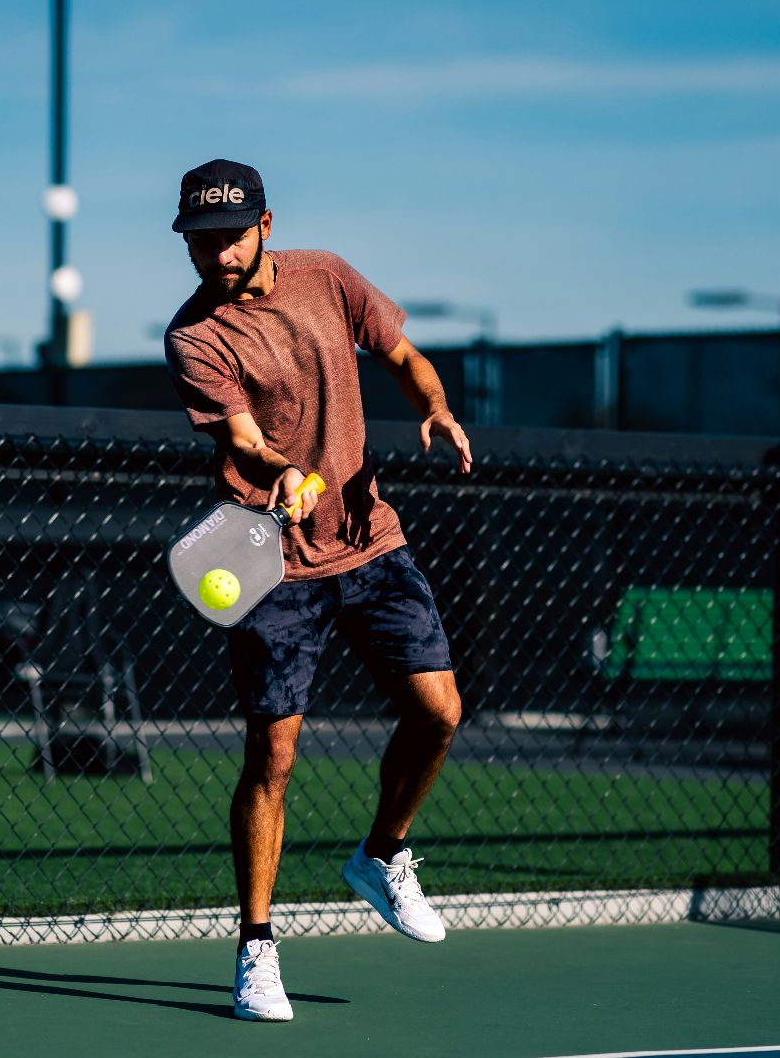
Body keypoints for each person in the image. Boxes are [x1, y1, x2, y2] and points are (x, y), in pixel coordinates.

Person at [162, 158, 474, 1022]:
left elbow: (403, 354)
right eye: (198, 242)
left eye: (228, 237)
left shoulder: (327, 276)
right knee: (275, 758)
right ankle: (256, 949)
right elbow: (244, 437)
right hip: (276, 566)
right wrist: (287, 470)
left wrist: (437, 406)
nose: (215, 256)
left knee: (440, 712)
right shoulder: (194, 337)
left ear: (266, 225)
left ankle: (382, 856)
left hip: (370, 541)